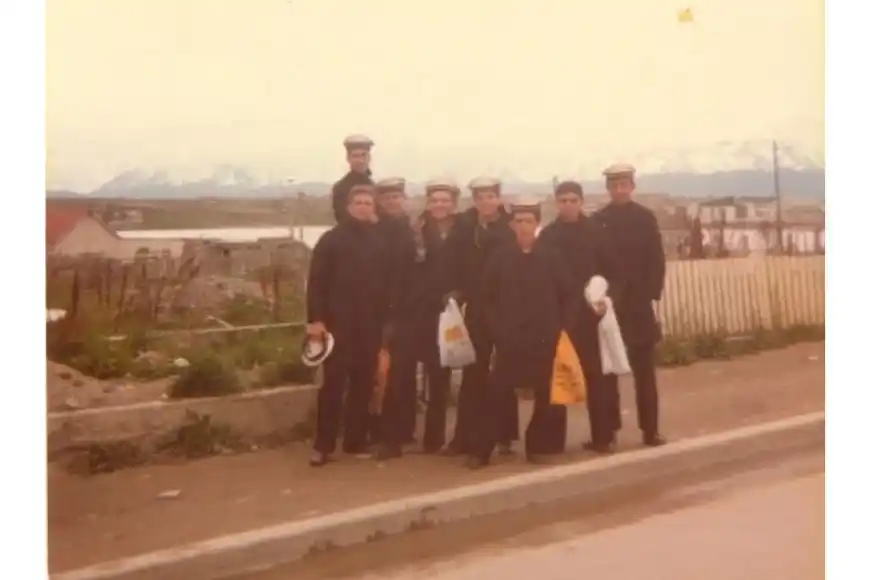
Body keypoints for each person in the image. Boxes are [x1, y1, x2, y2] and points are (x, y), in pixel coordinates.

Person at [468, 197, 576, 469]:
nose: (523, 226)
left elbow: (568, 295)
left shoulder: (552, 256)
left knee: (545, 395)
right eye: (518, 221)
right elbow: (487, 297)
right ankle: (482, 450)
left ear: (537, 223)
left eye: (529, 220)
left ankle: (538, 447)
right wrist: (497, 329)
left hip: (544, 338)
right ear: (511, 225)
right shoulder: (500, 256)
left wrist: (560, 328)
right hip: (509, 338)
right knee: (497, 393)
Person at [306, 183, 391, 466]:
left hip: (369, 326)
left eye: (369, 203)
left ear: (374, 208)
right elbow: (316, 282)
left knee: (362, 387)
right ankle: (323, 445)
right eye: (360, 203)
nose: (364, 207)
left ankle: (355, 441)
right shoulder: (331, 240)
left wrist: (386, 323)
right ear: (349, 207)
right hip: (336, 326)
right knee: (332, 386)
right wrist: (316, 321)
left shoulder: (379, 242)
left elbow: (386, 287)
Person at [538, 180, 624, 454]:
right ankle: (552, 441)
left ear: (582, 202)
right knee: (559, 377)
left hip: (591, 318)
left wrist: (607, 301)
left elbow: (614, 274)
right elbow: (540, 276)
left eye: (573, 200)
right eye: (563, 200)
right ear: (556, 203)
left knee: (598, 378)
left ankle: (602, 436)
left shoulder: (597, 233)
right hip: (559, 318)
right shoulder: (548, 236)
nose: (568, 205)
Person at [377, 177, 460, 459]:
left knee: (439, 379)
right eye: (435, 200)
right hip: (411, 313)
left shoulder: (462, 229)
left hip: (444, 314)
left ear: (454, 203)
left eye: (445, 200)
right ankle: (394, 438)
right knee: (400, 375)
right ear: (427, 202)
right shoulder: (413, 229)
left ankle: (434, 440)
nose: (439, 205)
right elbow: (398, 270)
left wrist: (458, 294)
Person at [440, 176, 519, 457]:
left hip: (504, 308)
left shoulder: (510, 228)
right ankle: (463, 437)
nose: (485, 202)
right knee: (473, 372)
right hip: (475, 308)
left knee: (502, 372)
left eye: (490, 196)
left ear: (498, 198)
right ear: (474, 200)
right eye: (480, 197)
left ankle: (505, 435)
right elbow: (454, 261)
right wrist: (456, 291)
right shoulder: (466, 228)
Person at [592, 163, 667, 448]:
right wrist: (601, 296)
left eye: (625, 184)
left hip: (638, 308)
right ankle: (609, 433)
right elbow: (595, 264)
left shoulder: (646, 219)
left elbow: (656, 261)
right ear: (608, 189)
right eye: (614, 185)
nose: (620, 190)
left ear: (632, 186)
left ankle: (651, 431)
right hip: (610, 308)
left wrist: (648, 294)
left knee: (645, 373)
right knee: (608, 372)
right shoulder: (598, 220)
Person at [372, 176, 418, 446]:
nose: (392, 201)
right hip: (381, 308)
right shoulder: (375, 231)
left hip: (410, 308)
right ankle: (384, 430)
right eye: (387, 197)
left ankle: (405, 430)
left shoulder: (413, 230)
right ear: (381, 201)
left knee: (406, 372)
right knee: (383, 372)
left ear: (403, 199)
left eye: (396, 197)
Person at [331, 134, 375, 223]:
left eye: (363, 155)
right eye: (355, 156)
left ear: (369, 158)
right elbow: (342, 219)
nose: (360, 160)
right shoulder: (340, 188)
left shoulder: (375, 186)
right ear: (348, 158)